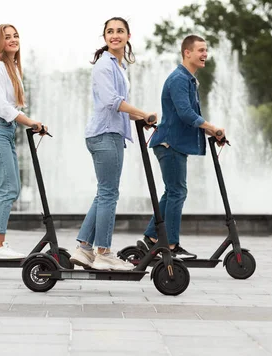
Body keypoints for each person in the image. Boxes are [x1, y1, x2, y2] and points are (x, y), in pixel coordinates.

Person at [70, 17, 157, 271]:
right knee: (109, 193)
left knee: (103, 193)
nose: (115, 35)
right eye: (110, 31)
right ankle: (104, 252)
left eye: (120, 31)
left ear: (128, 36)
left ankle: (84, 248)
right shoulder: (104, 65)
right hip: (105, 135)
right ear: (105, 37)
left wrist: (141, 117)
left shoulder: (118, 66)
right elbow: (112, 101)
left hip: (108, 133)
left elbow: (118, 106)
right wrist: (141, 112)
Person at [141, 35, 225, 258]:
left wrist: (211, 132)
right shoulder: (179, 78)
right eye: (200, 50)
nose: (205, 54)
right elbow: (186, 114)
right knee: (178, 192)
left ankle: (151, 237)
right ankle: (170, 245)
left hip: (172, 144)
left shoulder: (187, 79)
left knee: (172, 192)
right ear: (187, 53)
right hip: (170, 143)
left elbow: (190, 115)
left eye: (206, 50)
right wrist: (212, 127)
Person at [0, 24, 48, 260]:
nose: (13, 39)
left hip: (4, 130)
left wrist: (28, 122)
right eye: (7, 37)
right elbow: (1, 106)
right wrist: (30, 121)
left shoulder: (12, 68)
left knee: (9, 189)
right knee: (9, 190)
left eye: (16, 35)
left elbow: (10, 106)